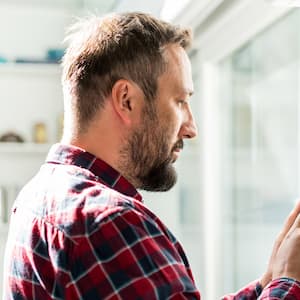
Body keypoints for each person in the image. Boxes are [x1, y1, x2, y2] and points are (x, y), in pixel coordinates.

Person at [2, 12, 300, 300]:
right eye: (180, 101)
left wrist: (268, 284)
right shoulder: (108, 222)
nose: (192, 128)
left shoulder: (40, 195)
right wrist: (290, 281)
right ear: (127, 100)